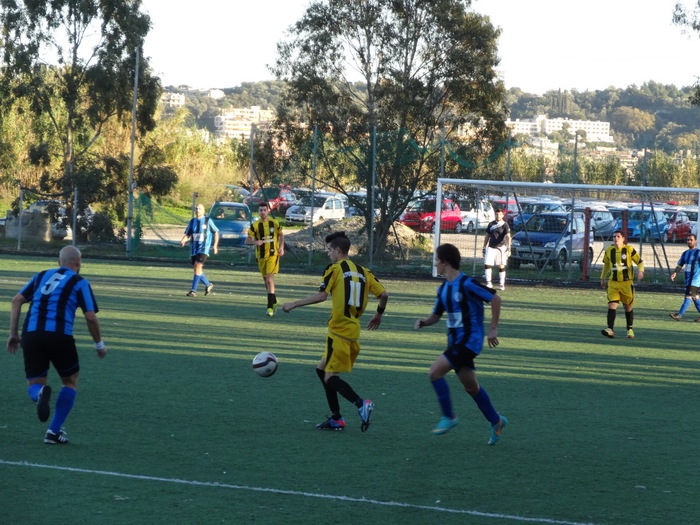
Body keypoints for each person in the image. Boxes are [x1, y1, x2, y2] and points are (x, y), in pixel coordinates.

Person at [282, 231, 388, 432]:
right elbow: (384, 294)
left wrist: (294, 303)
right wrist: (378, 315)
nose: (328, 253)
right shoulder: (364, 271)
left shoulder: (334, 269)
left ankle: (361, 404)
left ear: (338, 250)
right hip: (353, 330)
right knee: (321, 370)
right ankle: (336, 418)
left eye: (330, 250)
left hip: (338, 331)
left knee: (330, 377)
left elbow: (322, 296)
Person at [6, 246, 107, 445]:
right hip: (60, 337)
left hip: (31, 335)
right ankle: (53, 431)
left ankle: (39, 394)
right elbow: (90, 317)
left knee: (35, 384)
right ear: (78, 262)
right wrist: (99, 344)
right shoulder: (80, 282)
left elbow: (16, 300)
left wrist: (13, 334)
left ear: (58, 262)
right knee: (69, 381)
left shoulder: (41, 276)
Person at [414, 243, 507, 446]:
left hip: (469, 341)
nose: (435, 264)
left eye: (437, 260)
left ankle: (449, 416)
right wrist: (424, 322)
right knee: (471, 387)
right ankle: (496, 421)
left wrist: (493, 329)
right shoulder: (443, 289)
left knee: (434, 373)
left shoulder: (467, 284)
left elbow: (496, 299)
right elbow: (436, 316)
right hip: (456, 342)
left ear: (445, 262)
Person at [600, 230, 644, 339]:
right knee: (612, 304)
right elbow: (606, 265)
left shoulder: (629, 249)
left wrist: (640, 271)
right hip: (613, 283)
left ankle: (629, 329)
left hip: (627, 283)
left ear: (623, 239)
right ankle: (610, 329)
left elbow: (639, 262)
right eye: (614, 236)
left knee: (627, 306)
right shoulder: (609, 251)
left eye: (618, 236)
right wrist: (602, 278)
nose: (616, 238)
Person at [246, 202, 284, 316]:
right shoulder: (255, 225)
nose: (263, 212)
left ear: (268, 211)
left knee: (269, 280)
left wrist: (281, 247)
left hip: (273, 255)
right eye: (261, 210)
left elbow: (281, 234)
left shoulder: (274, 223)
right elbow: (247, 241)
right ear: (258, 212)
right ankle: (274, 301)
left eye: (264, 210)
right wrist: (255, 242)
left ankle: (269, 308)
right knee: (265, 281)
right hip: (261, 256)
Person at [180, 203, 219, 297]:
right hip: (194, 249)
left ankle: (193, 291)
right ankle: (208, 284)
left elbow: (216, 232)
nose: (198, 210)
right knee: (197, 269)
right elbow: (187, 234)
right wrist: (183, 240)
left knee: (197, 266)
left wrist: (215, 246)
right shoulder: (192, 221)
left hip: (204, 249)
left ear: (204, 211)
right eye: (196, 209)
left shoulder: (208, 220)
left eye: (200, 209)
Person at [669, 233, 700, 321]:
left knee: (688, 296)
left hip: (696, 280)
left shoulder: (698, 253)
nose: (689, 241)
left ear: (695, 241)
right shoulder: (685, 253)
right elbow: (680, 265)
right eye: (688, 240)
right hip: (688, 280)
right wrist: (675, 273)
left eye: (691, 240)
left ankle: (679, 315)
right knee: (695, 298)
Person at [483, 208, 510, 290]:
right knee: (487, 264)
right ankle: (489, 283)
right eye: (497, 214)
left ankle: (501, 284)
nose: (498, 216)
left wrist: (509, 247)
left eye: (500, 214)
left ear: (502, 215)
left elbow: (508, 236)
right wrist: (484, 246)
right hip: (491, 247)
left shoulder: (505, 225)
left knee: (501, 265)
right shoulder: (491, 224)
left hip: (501, 247)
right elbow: (487, 236)